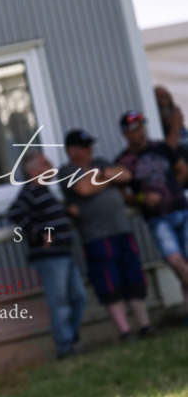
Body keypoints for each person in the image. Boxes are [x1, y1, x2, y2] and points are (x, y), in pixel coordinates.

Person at [60, 129, 154, 340]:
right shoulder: (67, 170)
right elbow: (84, 189)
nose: (90, 150)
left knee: (134, 277)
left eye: (90, 146)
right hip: (97, 236)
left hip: (122, 229)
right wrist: (106, 177)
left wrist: (99, 176)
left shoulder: (100, 162)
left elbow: (126, 174)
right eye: (85, 147)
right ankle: (125, 331)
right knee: (109, 282)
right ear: (72, 150)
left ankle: (145, 326)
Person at [9, 151, 87, 359]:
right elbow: (16, 213)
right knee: (59, 301)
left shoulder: (45, 192)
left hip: (64, 252)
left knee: (79, 297)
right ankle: (65, 347)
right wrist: (38, 234)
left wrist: (66, 212)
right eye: (46, 164)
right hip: (49, 257)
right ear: (34, 172)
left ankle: (71, 339)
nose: (51, 166)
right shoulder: (30, 191)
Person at [115, 109, 188, 319]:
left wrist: (172, 188)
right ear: (125, 134)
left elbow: (182, 169)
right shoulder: (123, 161)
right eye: (134, 129)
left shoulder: (162, 148)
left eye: (141, 127)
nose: (140, 132)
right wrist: (141, 199)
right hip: (158, 217)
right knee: (175, 260)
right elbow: (122, 195)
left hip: (181, 208)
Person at [154, 85, 188, 164]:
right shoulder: (156, 129)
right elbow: (166, 153)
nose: (160, 102)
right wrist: (175, 125)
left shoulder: (180, 127)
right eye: (155, 99)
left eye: (163, 97)